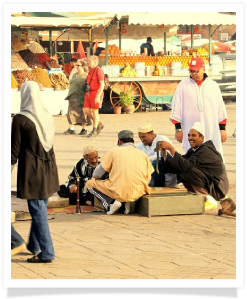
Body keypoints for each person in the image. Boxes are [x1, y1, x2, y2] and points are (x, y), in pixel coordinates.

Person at [11, 81, 59, 263]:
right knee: (40, 207)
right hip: (49, 169)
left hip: (33, 170)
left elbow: (13, 151)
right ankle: (34, 245)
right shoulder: (47, 115)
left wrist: (8, 172)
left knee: (37, 210)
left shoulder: (20, 119)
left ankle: (47, 253)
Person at [157, 122, 230, 210]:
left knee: (187, 171)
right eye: (189, 135)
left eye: (193, 135)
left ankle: (208, 198)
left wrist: (171, 149)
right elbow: (181, 161)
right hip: (210, 183)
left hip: (217, 187)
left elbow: (185, 165)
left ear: (201, 138)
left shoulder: (205, 150)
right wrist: (165, 154)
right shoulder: (193, 150)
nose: (190, 138)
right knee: (171, 165)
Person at [170, 57, 228, 160]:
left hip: (211, 128)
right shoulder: (183, 86)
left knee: (213, 153)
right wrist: (178, 129)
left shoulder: (213, 86)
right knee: (192, 155)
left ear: (203, 69)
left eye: (196, 71)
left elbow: (220, 108)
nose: (194, 73)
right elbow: (176, 107)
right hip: (190, 127)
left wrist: (222, 129)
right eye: (192, 71)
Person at [86, 130, 154, 215]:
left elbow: (96, 174)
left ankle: (110, 203)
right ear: (133, 142)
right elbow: (149, 178)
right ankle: (128, 201)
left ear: (119, 141)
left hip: (119, 191)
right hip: (139, 191)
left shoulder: (113, 151)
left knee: (90, 183)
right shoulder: (143, 154)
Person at [136, 123, 178, 187]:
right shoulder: (139, 146)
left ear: (151, 134)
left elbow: (164, 156)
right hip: (149, 177)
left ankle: (158, 188)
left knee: (157, 162)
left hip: (166, 174)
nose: (142, 140)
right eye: (140, 137)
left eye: (144, 137)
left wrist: (147, 159)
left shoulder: (162, 139)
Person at [64, 59, 92, 135]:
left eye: (78, 65)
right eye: (76, 65)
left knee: (82, 112)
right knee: (70, 112)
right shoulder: (74, 74)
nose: (76, 66)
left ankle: (84, 128)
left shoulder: (86, 75)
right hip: (72, 95)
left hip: (80, 96)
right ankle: (71, 128)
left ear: (83, 66)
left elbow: (89, 86)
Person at [84, 55, 105, 138]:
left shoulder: (98, 71)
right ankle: (98, 123)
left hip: (96, 92)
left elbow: (102, 84)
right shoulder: (90, 70)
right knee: (86, 110)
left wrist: (98, 95)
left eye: (90, 61)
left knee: (95, 112)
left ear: (95, 62)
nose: (88, 62)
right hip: (88, 92)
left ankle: (94, 129)